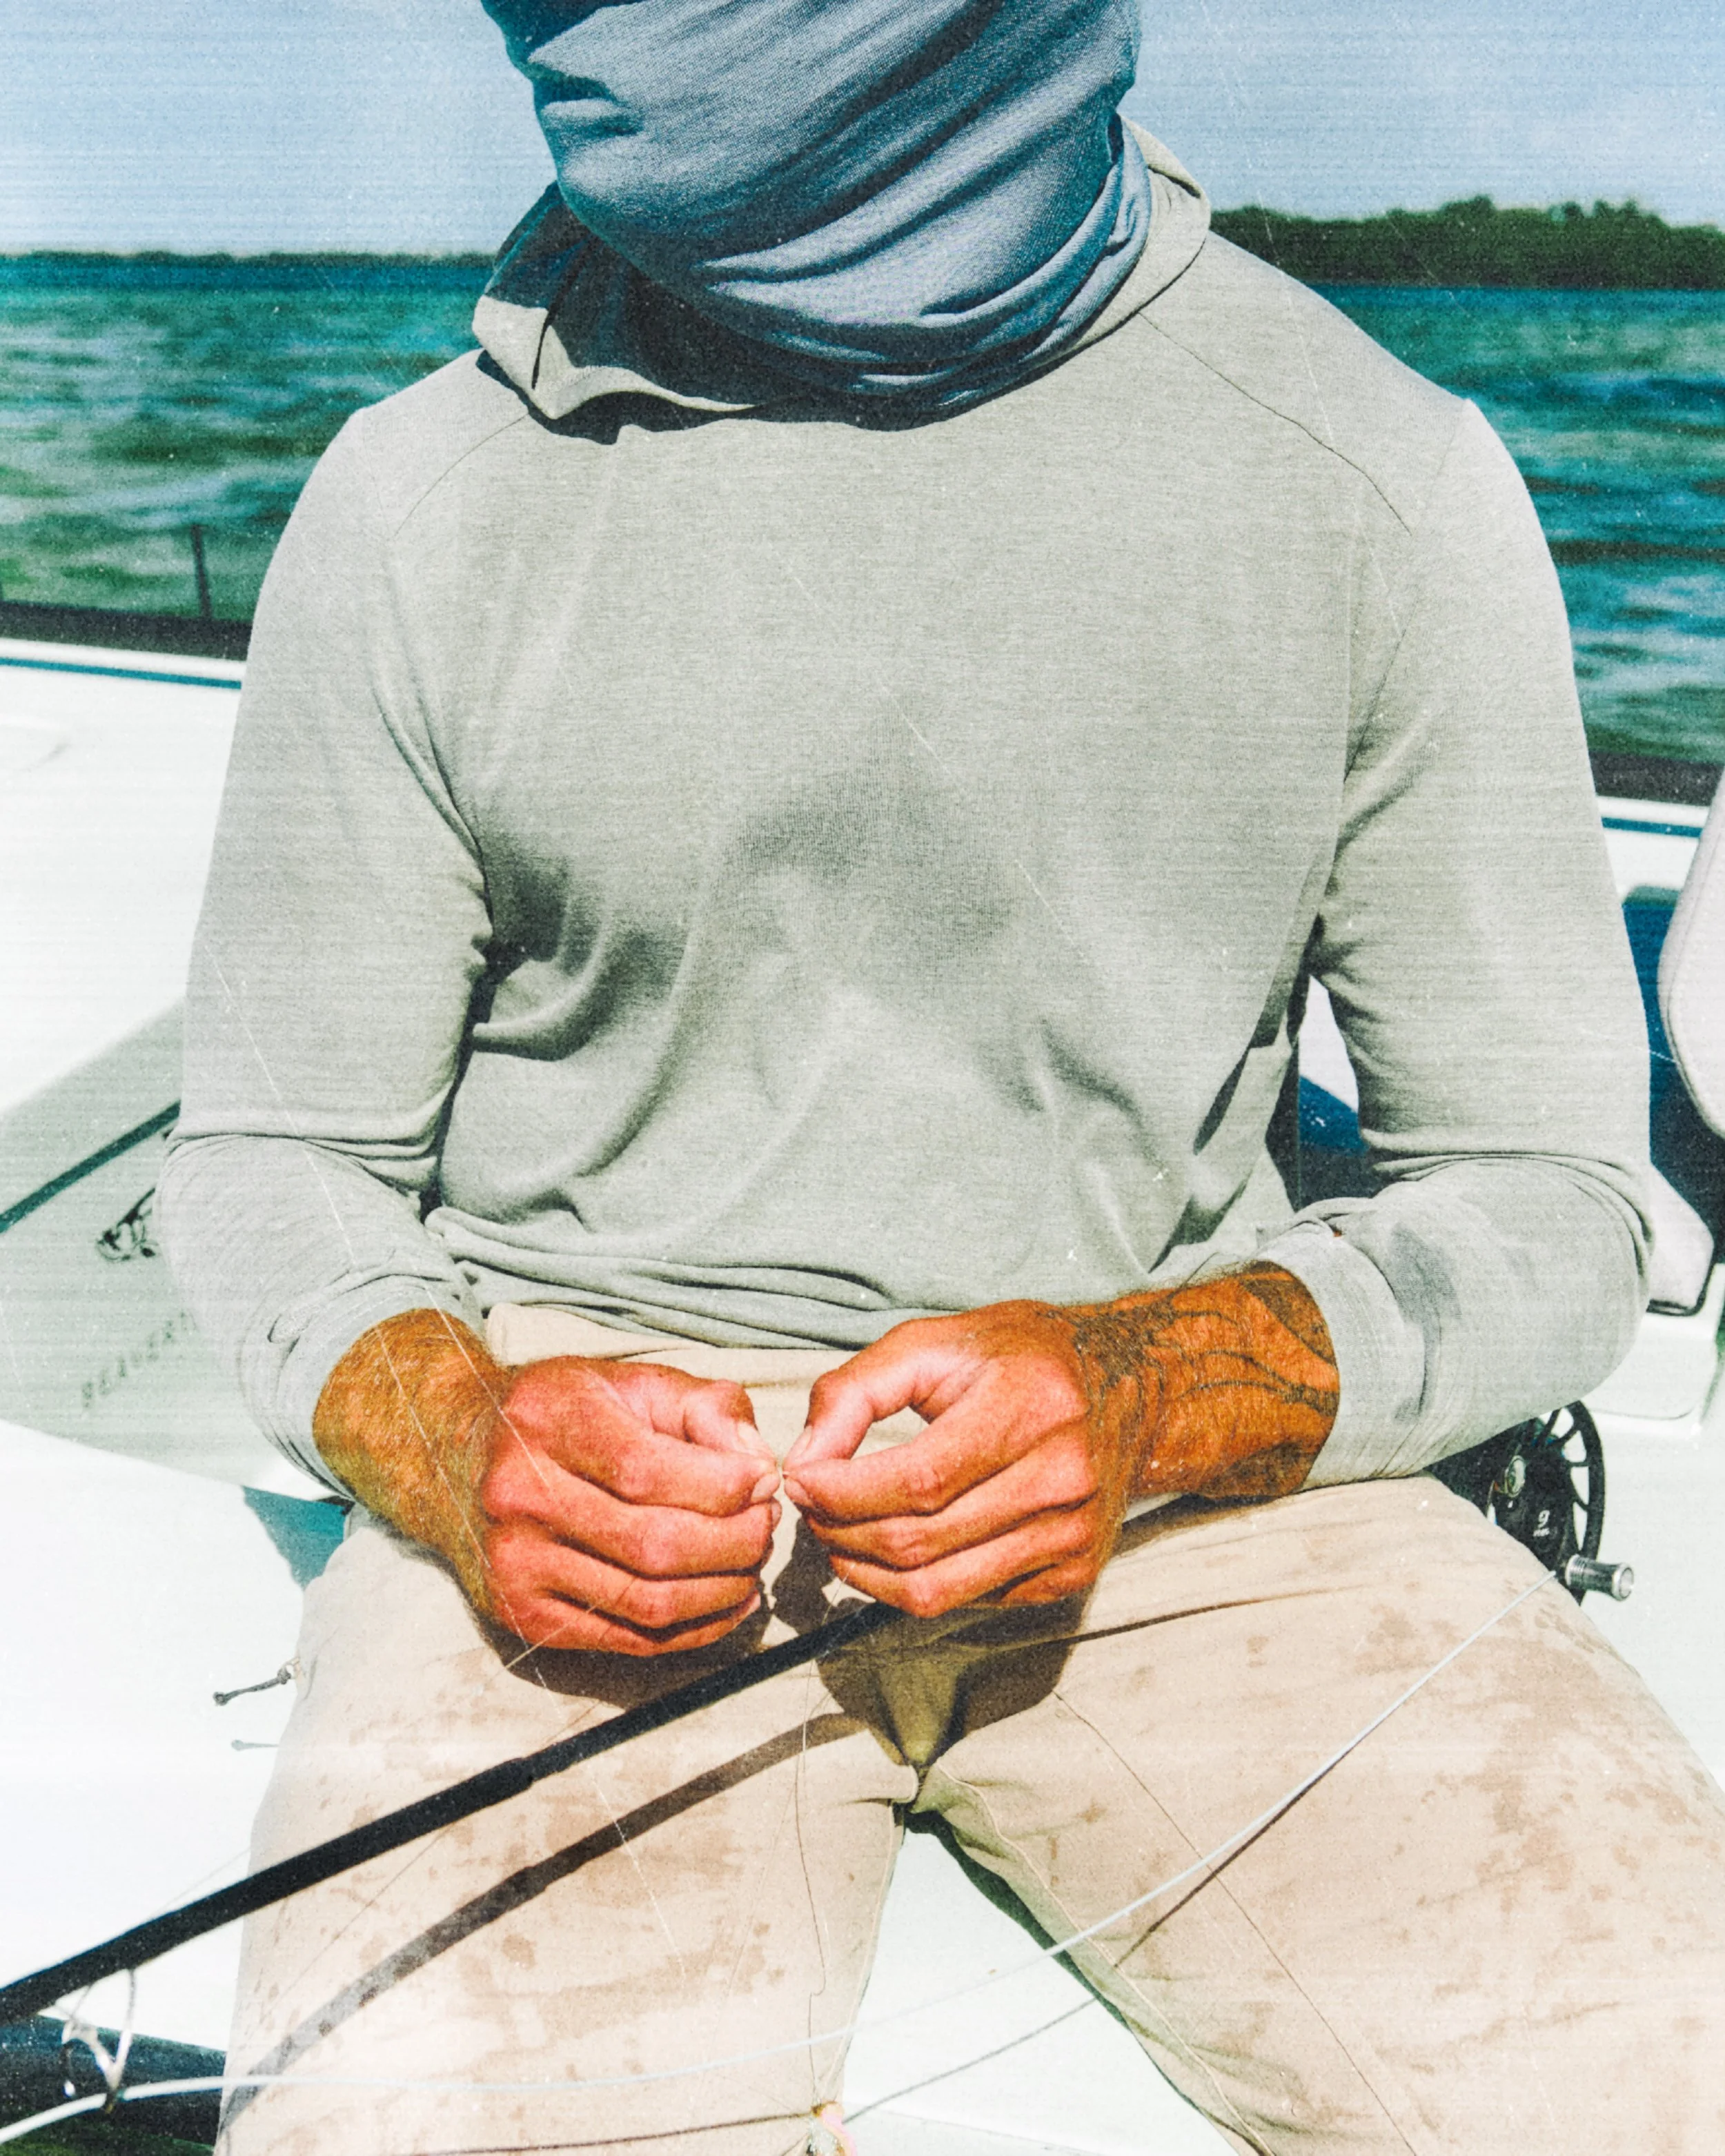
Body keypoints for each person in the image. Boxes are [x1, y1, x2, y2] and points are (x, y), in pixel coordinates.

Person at [159, 2, 1725, 2150]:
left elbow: (1549, 1198)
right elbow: (273, 1162)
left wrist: (1149, 1389)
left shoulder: (1377, 472)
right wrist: (458, 1438)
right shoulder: (413, 499)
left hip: (1198, 1479)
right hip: (583, 1491)